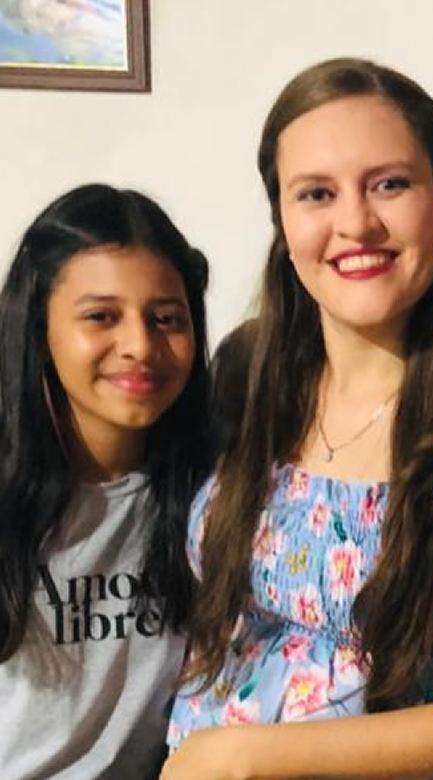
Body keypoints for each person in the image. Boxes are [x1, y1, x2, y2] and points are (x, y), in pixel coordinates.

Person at [162, 58, 433, 779]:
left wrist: (239, 755)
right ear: (283, 223)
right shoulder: (249, 376)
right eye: (317, 193)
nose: (356, 223)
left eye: (390, 184)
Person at [0, 184, 211, 778]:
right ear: (39, 328)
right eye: (101, 317)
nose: (140, 346)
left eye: (166, 319)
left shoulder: (214, 495)